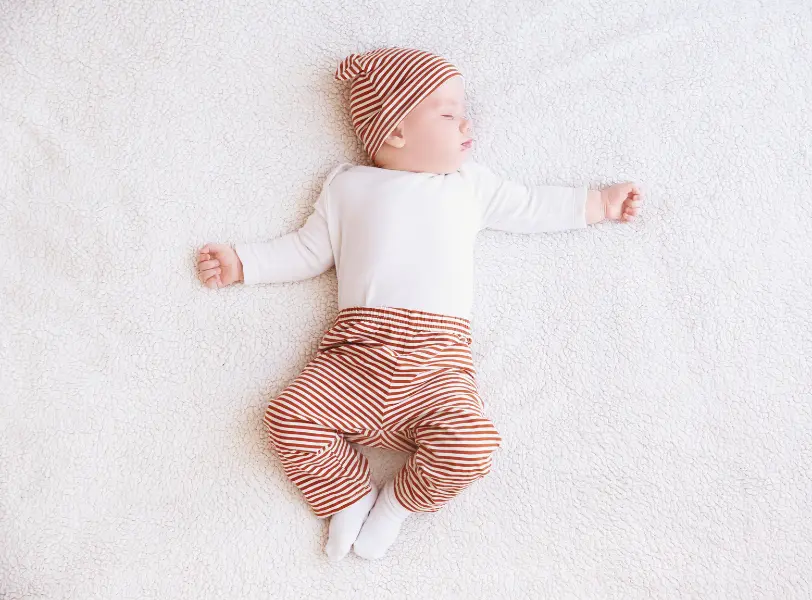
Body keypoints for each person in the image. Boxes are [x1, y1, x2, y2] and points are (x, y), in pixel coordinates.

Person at [196, 47, 643, 561]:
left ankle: (396, 505)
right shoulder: (347, 187)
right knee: (288, 417)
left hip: (437, 365)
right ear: (395, 131)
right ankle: (348, 494)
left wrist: (601, 203)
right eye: (449, 113)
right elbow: (306, 250)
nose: (467, 122)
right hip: (354, 359)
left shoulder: (470, 186)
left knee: (473, 448)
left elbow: (531, 206)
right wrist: (243, 263)